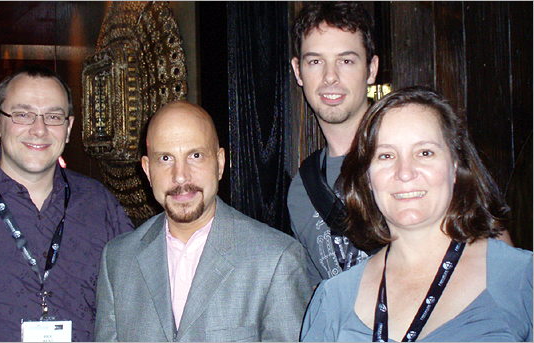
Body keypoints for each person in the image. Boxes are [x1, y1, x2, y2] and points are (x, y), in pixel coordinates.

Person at [301, 86, 532, 342]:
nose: (405, 172)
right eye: (386, 155)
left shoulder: (522, 279)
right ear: (367, 176)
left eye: (424, 153)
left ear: (455, 166)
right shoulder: (332, 300)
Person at [0, 65, 134, 342]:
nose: (39, 130)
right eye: (23, 114)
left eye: (53, 116)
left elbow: (132, 304)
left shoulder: (99, 205)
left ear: (68, 128)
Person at [94, 100, 312, 341]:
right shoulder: (118, 259)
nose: (180, 176)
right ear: (147, 170)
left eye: (195, 155)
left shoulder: (276, 260)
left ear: (219, 163)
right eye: (165, 158)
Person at [287, 1, 379, 287]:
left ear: (371, 69)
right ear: (298, 71)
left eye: (346, 60)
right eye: (315, 61)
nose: (330, 77)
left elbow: (491, 255)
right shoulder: (302, 191)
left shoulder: (415, 157)